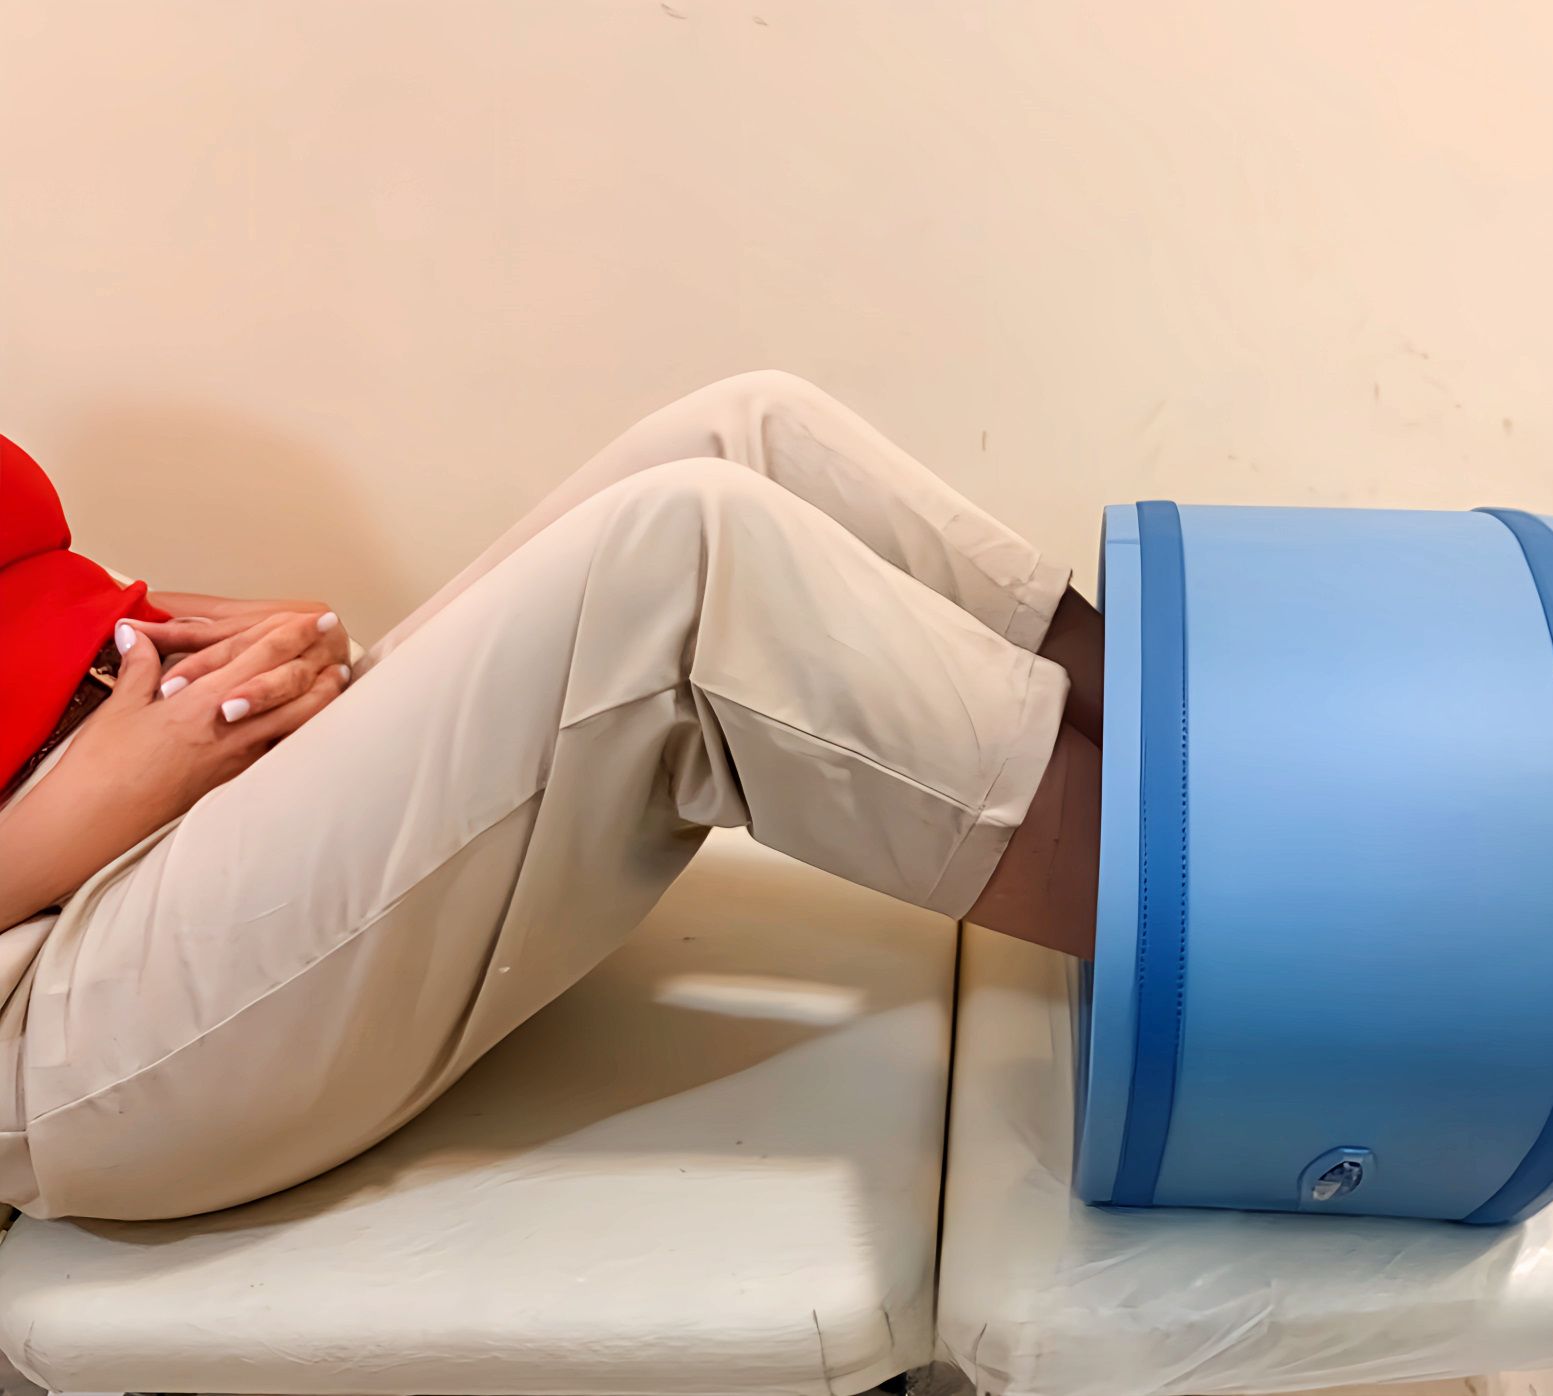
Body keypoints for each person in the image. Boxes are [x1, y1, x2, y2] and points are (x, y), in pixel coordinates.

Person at [0, 371, 1103, 1221]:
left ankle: (1188, 752)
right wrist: (92, 796)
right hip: (56, 989)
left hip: (176, 801)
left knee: (750, 429)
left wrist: (210, 643)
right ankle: (1204, 925)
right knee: (682, 556)